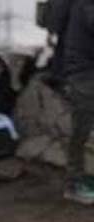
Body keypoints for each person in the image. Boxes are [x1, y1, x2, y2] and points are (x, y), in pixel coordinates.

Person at [49, 0, 94, 204]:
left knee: (83, 129)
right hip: (84, 73)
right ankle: (74, 183)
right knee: (82, 129)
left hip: (83, 71)